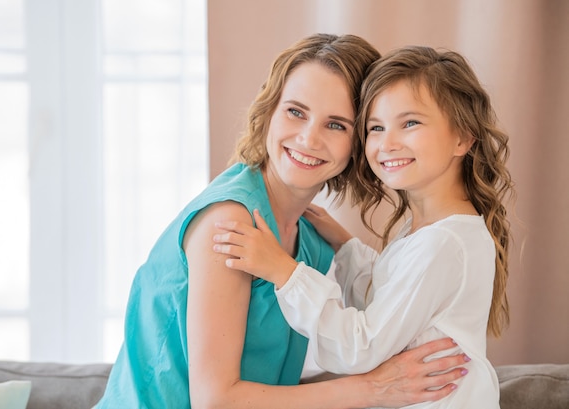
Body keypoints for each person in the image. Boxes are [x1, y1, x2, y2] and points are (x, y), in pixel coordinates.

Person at [95, 36, 469, 409]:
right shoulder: (229, 224)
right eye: (295, 111)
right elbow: (215, 401)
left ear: (360, 141)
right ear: (270, 110)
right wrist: (371, 389)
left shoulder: (312, 241)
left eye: (336, 125)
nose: (308, 138)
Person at [213, 45, 514, 407]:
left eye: (410, 123)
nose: (387, 143)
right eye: (375, 127)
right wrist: (346, 245)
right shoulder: (430, 232)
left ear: (463, 137)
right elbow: (384, 298)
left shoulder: (444, 244)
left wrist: (283, 272)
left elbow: (362, 346)